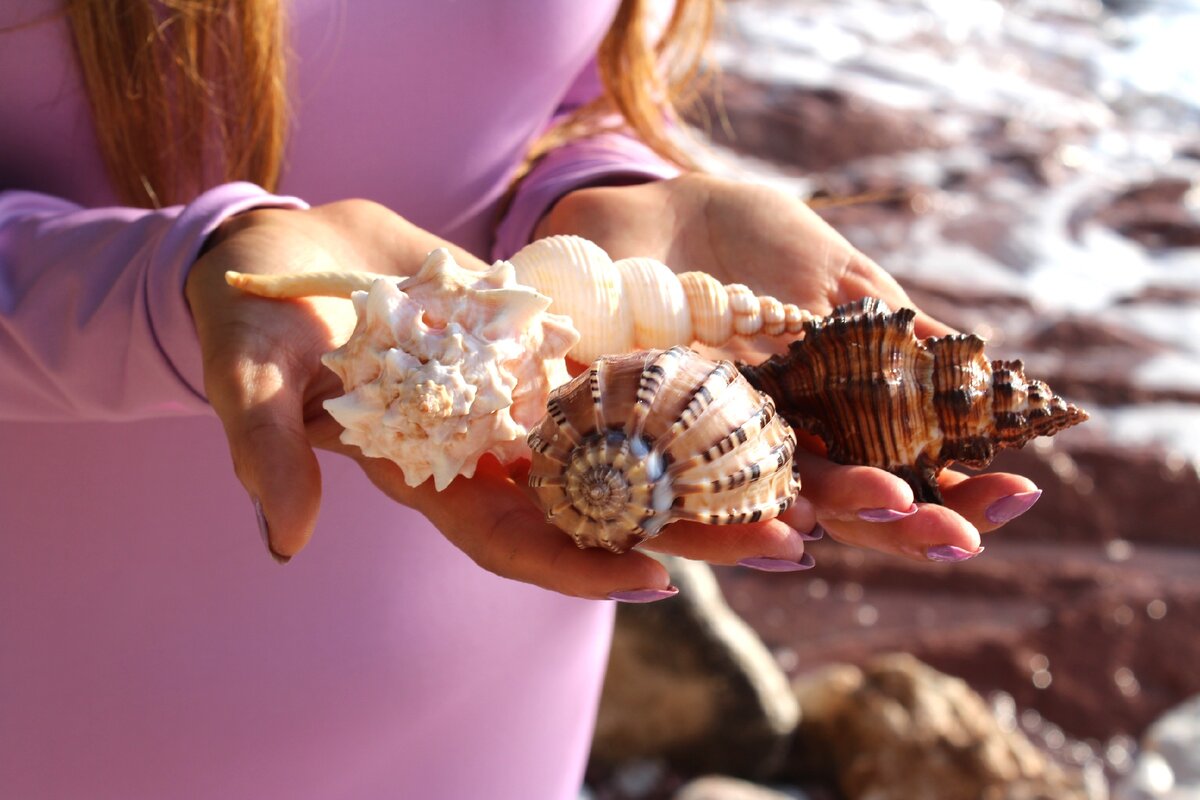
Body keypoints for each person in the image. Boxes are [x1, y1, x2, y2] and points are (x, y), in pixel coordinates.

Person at [0, 1, 1040, 797]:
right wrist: (169, 282)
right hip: (59, 698)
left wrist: (597, 190)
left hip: (499, 671)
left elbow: (564, 85)